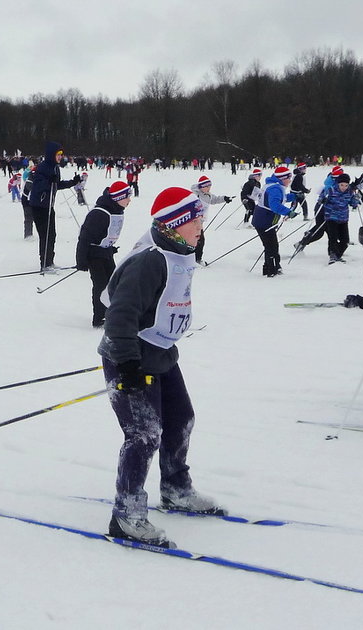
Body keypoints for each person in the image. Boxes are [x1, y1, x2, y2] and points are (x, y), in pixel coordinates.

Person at [98, 186, 224, 547]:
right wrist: (128, 365)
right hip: (131, 355)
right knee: (143, 434)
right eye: (195, 218)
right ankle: (127, 515)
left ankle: (175, 488)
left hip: (161, 352)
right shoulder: (149, 260)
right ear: (176, 223)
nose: (201, 224)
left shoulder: (178, 249)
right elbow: (119, 317)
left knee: (181, 420)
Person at [76, 180, 132, 327]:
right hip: (94, 255)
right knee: (100, 285)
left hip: (105, 254)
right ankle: (99, 318)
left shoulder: (115, 210)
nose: (129, 200)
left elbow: (105, 234)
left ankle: (112, 314)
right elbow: (84, 237)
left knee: (113, 284)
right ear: (118, 198)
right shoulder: (99, 213)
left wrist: (109, 248)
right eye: (127, 197)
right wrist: (81, 260)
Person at [26, 142, 81, 271]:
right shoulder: (42, 167)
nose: (60, 157)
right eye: (58, 154)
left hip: (48, 206)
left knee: (52, 235)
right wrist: (48, 181)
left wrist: (73, 182)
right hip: (39, 206)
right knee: (45, 235)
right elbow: (37, 186)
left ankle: (50, 261)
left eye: (61, 154)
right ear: (52, 155)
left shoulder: (55, 168)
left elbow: (57, 184)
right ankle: (44, 263)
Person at [252, 166, 298, 277]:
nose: (290, 180)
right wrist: (289, 212)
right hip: (264, 221)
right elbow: (275, 205)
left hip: (266, 220)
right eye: (288, 178)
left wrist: (294, 196)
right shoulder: (275, 189)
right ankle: (270, 270)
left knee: (272, 245)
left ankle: (273, 267)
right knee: (271, 246)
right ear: (282, 179)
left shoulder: (275, 186)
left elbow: (280, 198)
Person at [191, 175, 232, 264]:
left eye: (209, 186)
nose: (208, 188)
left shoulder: (208, 195)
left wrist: (225, 198)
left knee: (200, 240)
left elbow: (215, 199)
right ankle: (194, 259)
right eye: (206, 186)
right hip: (192, 222)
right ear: (201, 187)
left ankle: (197, 259)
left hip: (200, 222)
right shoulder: (195, 195)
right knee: (197, 240)